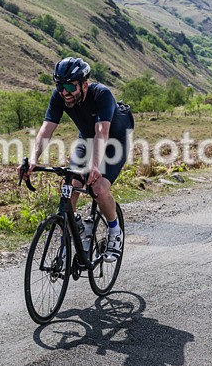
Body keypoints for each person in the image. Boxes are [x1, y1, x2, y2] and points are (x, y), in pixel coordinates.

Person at [20, 57, 134, 262]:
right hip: (87, 139)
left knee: (98, 188)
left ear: (84, 84)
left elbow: (102, 132)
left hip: (115, 140)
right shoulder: (60, 97)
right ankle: (76, 229)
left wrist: (95, 166)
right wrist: (33, 159)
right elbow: (46, 129)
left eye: (70, 86)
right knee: (70, 188)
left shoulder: (102, 95)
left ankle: (115, 232)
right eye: (60, 86)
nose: (64, 92)